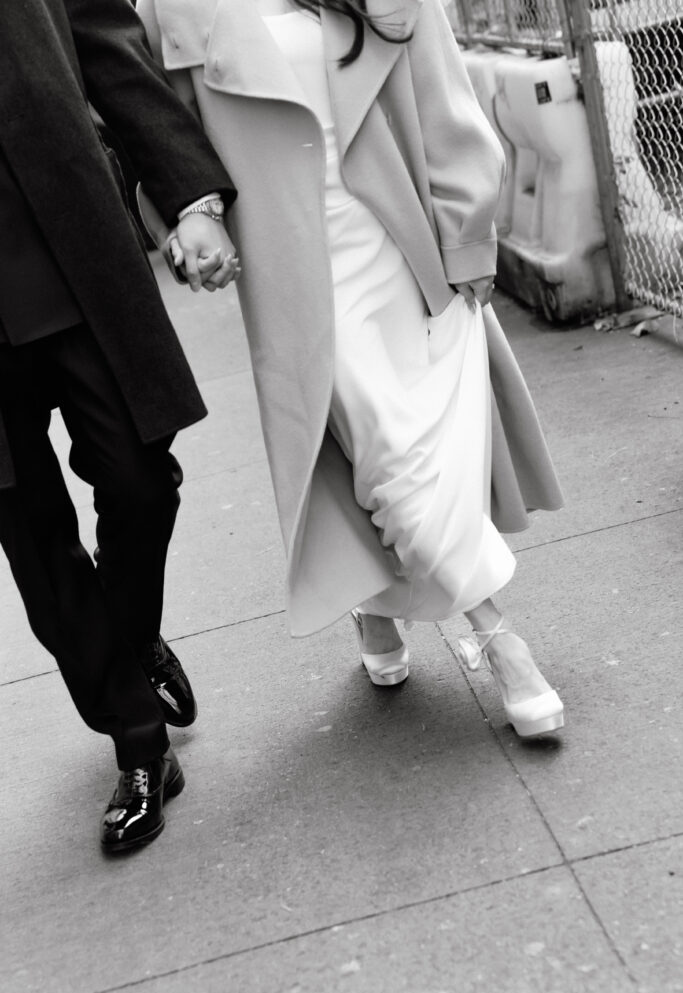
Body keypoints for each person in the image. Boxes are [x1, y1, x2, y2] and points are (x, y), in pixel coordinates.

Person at [139, 0, 566, 738]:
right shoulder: (170, 5)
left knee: (391, 452)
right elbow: (156, 133)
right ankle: (502, 644)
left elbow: (442, 99)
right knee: (392, 453)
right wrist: (185, 220)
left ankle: (373, 603)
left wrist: (467, 236)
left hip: (403, 244)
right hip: (294, 271)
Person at [0, 0, 240, 853]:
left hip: (68, 247)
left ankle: (129, 640)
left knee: (139, 480)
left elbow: (108, 43)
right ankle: (137, 744)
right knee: (32, 534)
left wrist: (190, 197)